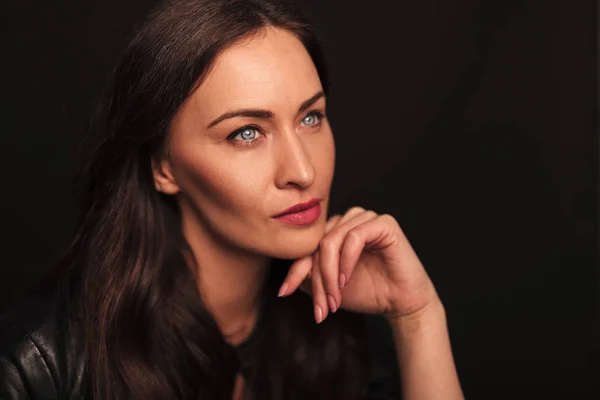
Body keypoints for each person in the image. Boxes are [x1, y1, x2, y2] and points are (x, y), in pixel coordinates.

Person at [0, 0, 464, 398]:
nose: (303, 172)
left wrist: (416, 316)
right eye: (246, 133)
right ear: (162, 167)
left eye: (311, 118)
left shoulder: (339, 323)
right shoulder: (39, 364)